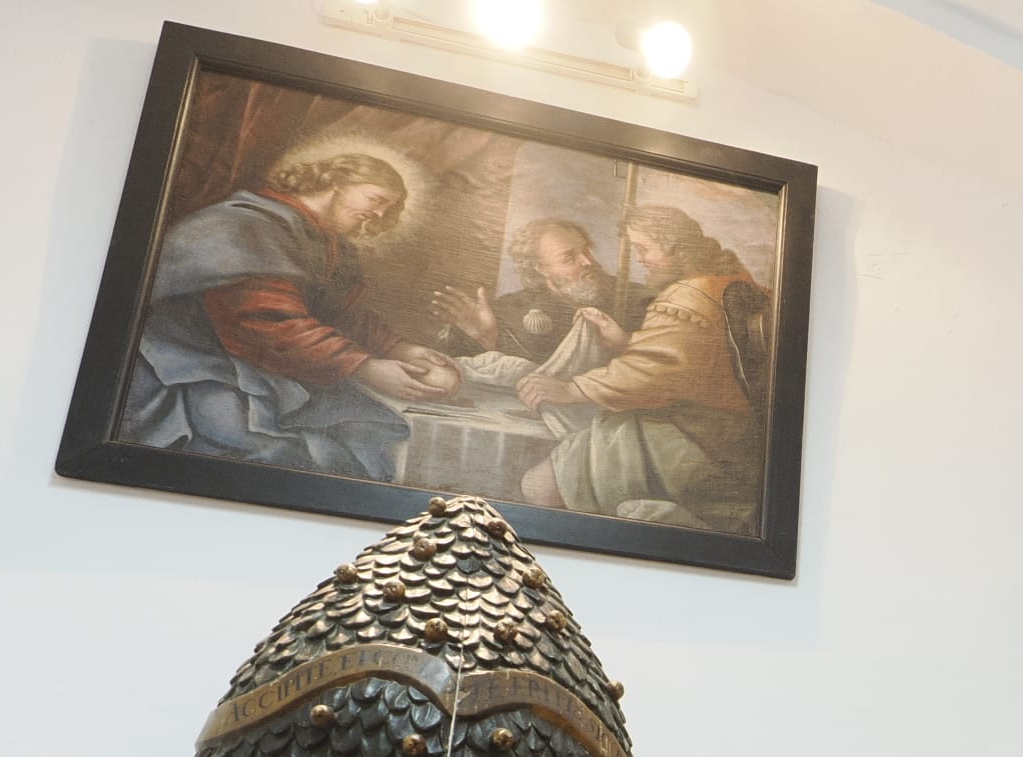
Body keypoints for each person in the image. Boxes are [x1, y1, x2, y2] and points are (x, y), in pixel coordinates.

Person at [120, 152, 457, 479]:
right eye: (376, 199)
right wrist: (364, 367)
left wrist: (397, 348)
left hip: (262, 363)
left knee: (364, 438)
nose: (379, 213)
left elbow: (334, 315)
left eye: (387, 208)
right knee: (277, 453)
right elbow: (268, 324)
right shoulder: (245, 225)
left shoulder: (323, 241)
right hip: (184, 365)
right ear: (338, 182)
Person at [515, 205, 765, 533]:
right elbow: (689, 359)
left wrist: (571, 389)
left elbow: (652, 373)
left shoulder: (688, 296)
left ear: (674, 248)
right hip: (721, 428)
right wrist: (626, 342)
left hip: (700, 436)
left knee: (539, 486)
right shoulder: (722, 282)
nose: (641, 260)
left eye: (644, 249)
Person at [429, 217, 647, 362]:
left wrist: (626, 343)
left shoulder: (637, 299)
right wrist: (488, 339)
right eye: (569, 258)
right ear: (540, 267)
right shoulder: (512, 309)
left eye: (586, 250)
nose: (587, 261)